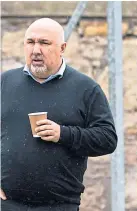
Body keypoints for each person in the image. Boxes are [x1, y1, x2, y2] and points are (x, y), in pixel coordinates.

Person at [1, 18, 117, 211]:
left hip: (61, 205)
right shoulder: (4, 83)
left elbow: (107, 139)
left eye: (44, 43)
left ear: (62, 48)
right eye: (30, 42)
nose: (36, 50)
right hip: (8, 204)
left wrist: (63, 134)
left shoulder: (86, 89)